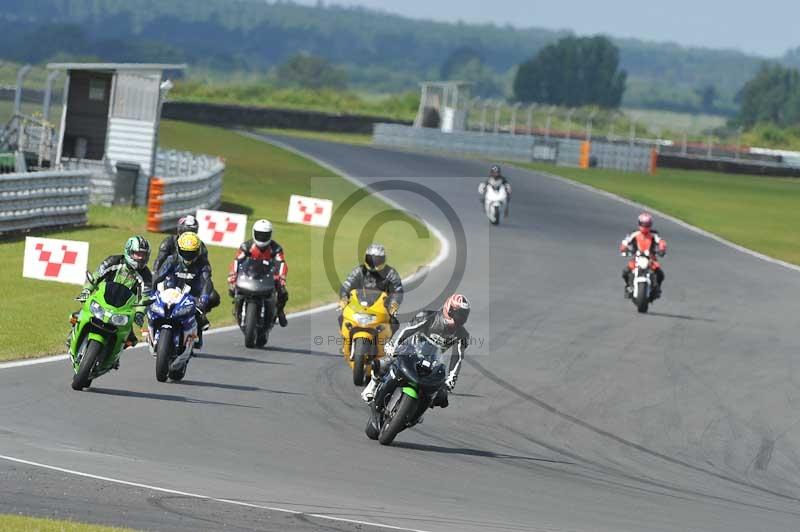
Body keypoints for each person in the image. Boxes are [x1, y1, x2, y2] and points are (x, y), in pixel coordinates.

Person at [361, 293, 471, 407]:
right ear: (449, 309)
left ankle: (417, 410)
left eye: (463, 316)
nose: (460, 318)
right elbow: (408, 330)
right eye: (458, 314)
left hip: (432, 361)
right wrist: (394, 345)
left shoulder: (463, 335)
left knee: (441, 397)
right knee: (384, 363)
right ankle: (373, 385)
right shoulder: (428, 316)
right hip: (409, 350)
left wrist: (451, 378)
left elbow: (457, 357)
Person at [73, 236, 153, 349]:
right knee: (78, 315)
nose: (140, 257)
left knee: (130, 340)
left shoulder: (147, 275)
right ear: (129, 251)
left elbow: (145, 296)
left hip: (124, 308)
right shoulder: (113, 261)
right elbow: (96, 277)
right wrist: (86, 290)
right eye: (137, 253)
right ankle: (72, 336)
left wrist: (139, 313)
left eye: (143, 254)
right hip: (102, 299)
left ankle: (114, 354)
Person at [154, 232, 220, 348]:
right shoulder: (171, 259)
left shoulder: (202, 263)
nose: (188, 256)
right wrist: (152, 291)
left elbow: (207, 281)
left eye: (191, 253)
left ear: (198, 251)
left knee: (206, 305)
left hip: (193, 294)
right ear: (179, 249)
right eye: (185, 252)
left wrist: (203, 299)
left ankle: (197, 329)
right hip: (172, 290)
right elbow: (159, 275)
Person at [228, 219, 289, 327]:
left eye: (265, 235)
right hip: (249, 275)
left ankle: (280, 311)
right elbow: (237, 260)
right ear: (254, 233)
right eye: (259, 234)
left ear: (270, 235)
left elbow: (281, 263)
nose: (262, 237)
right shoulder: (246, 246)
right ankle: (237, 305)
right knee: (232, 289)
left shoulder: (276, 248)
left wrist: (282, 277)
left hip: (268, 276)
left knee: (283, 292)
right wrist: (233, 274)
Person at [338, 243, 403, 331]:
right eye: (371, 259)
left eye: (377, 260)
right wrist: (344, 298)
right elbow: (347, 285)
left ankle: (387, 343)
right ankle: (347, 341)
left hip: (382, 308)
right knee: (342, 317)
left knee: (394, 323)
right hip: (359, 306)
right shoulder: (359, 271)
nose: (374, 263)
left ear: (383, 259)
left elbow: (398, 290)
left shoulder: (390, 273)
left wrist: (394, 303)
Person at [619, 212, 667, 299]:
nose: (645, 226)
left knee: (660, 274)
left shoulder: (654, 235)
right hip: (637, 259)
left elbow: (661, 242)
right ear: (639, 224)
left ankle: (657, 289)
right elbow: (625, 242)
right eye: (643, 224)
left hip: (650, 259)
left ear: (650, 224)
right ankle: (628, 287)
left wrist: (661, 249)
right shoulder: (634, 234)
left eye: (647, 224)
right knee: (625, 272)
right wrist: (624, 248)